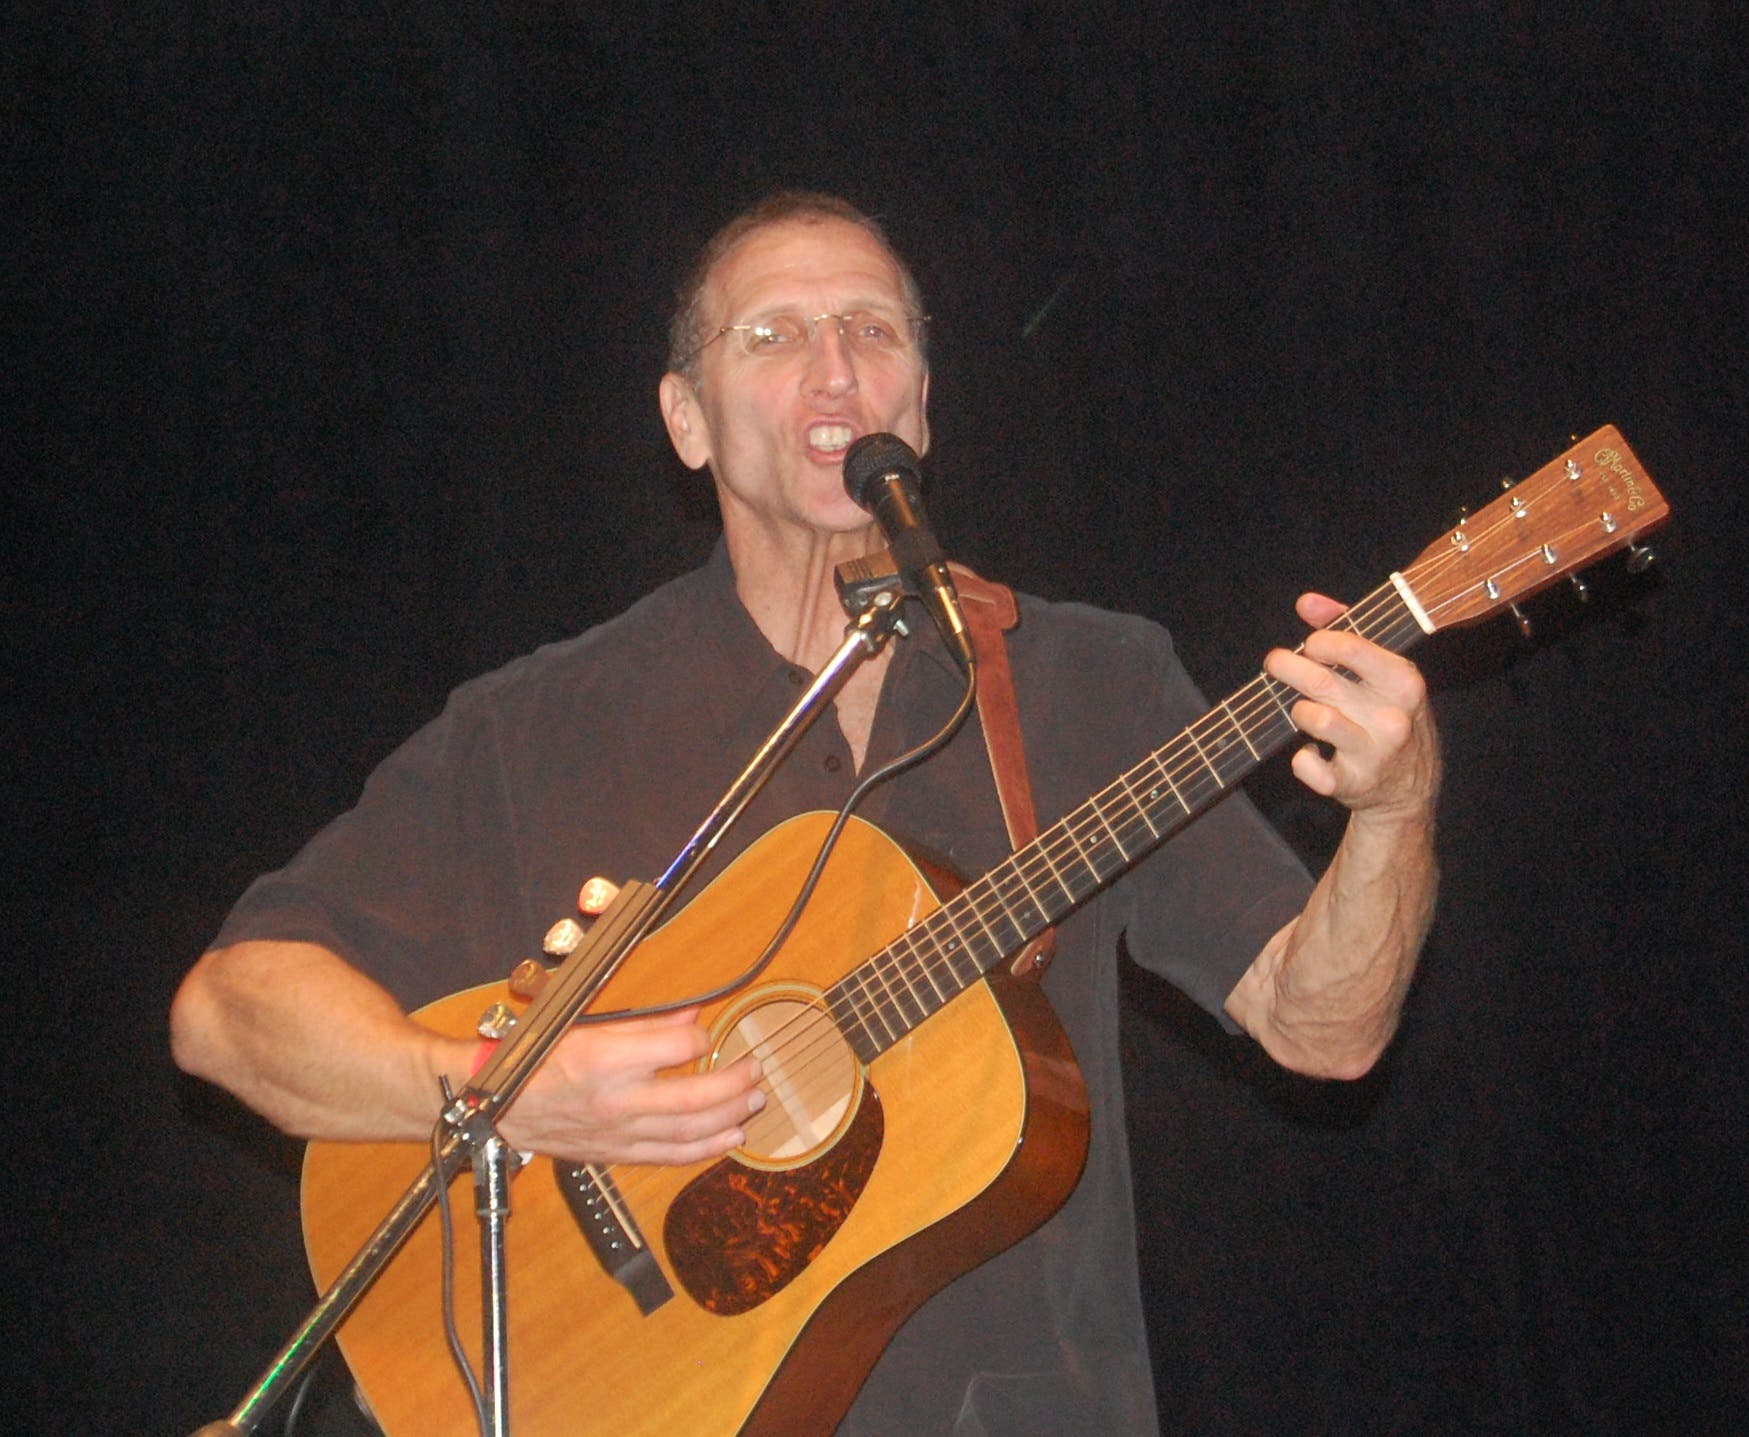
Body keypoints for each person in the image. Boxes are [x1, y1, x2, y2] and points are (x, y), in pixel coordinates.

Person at [172, 191, 1439, 1434]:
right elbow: (228, 1012)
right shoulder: (536, 726)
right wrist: (498, 1090)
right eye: (773, 336)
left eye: (874, 332)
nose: (836, 371)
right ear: (687, 420)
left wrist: (1396, 811)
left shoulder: (1086, 681)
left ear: (923, 409)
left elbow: (1322, 1030)